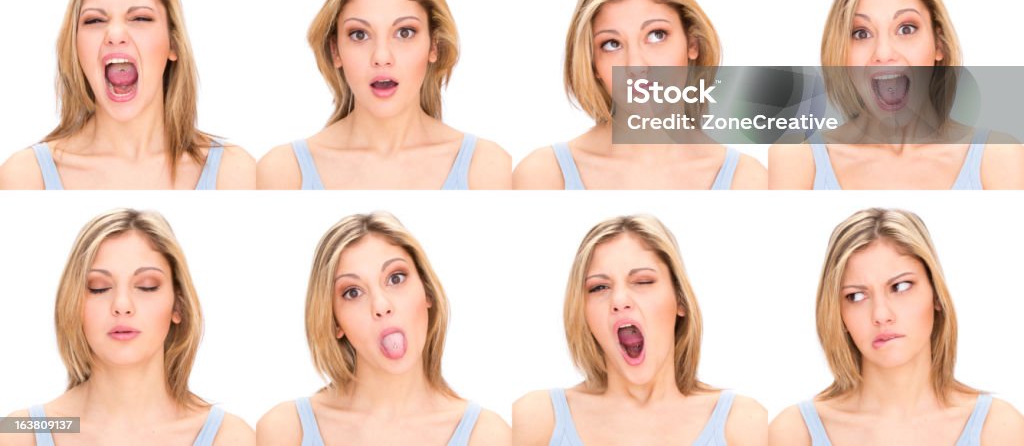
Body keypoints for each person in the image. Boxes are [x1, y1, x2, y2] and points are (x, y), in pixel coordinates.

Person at [0, 0, 255, 189]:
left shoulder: (235, 173)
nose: (115, 34)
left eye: (140, 18)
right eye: (95, 20)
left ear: (173, 44)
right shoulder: (25, 178)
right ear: (75, 47)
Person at [769, 208, 1024, 445]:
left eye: (900, 287)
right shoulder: (794, 433)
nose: (881, 315)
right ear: (838, 313)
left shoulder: (999, 429)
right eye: (856, 296)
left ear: (936, 294)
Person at [257, 0, 511, 189]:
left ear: (434, 45)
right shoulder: (283, 172)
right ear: (335, 50)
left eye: (404, 33)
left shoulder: (488, 168)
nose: (381, 57)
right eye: (359, 34)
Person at [768, 0, 1024, 190]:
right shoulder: (796, 159)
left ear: (939, 43)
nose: (883, 52)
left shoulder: (998, 155)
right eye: (861, 33)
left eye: (906, 28)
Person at [2, 208, 254, 445]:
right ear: (73, 304)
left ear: (178, 305)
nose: (122, 305)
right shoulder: (19, 431)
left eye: (147, 286)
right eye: (98, 288)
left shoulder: (232, 437)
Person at [513, 0, 767, 189]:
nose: (636, 65)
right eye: (612, 44)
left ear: (692, 44)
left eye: (656, 35)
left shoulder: (747, 180)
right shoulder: (542, 176)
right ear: (592, 63)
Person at [256, 211, 511, 445]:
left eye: (395, 278)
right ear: (334, 321)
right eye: (353, 292)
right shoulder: (284, 431)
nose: (381, 305)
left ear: (427, 293)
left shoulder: (488, 435)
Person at [513, 214, 766, 444]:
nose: (619, 300)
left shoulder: (745, 424)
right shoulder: (536, 420)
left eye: (643, 281)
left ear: (680, 299)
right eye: (599, 287)